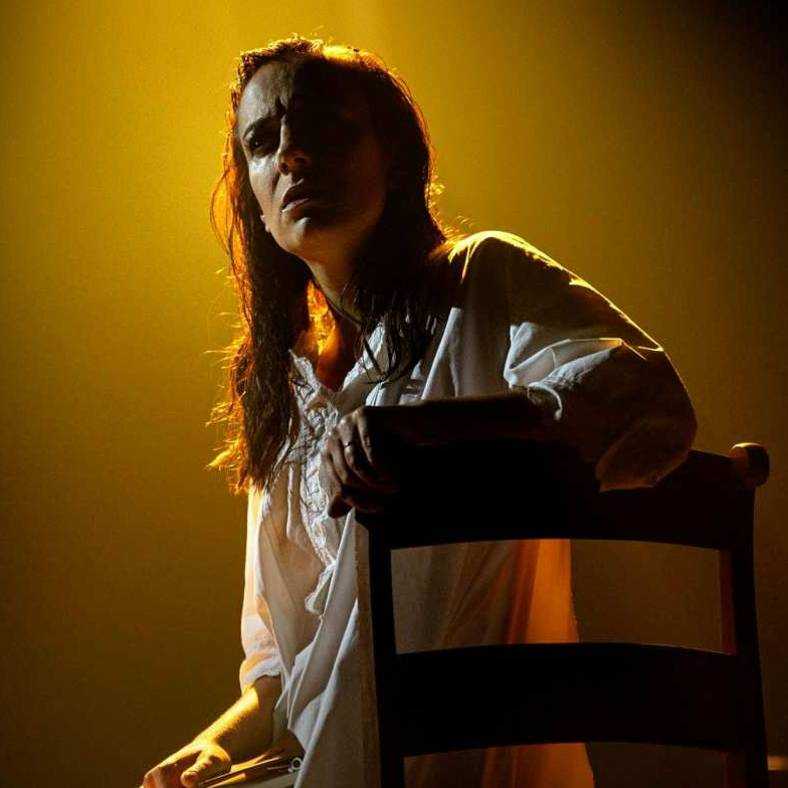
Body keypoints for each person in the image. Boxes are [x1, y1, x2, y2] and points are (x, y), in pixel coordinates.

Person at [141, 36, 697, 788]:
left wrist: (429, 428)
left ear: (394, 158)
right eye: (262, 143)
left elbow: (646, 395)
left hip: (470, 765)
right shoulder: (281, 388)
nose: (292, 156)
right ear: (255, 201)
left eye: (323, 127)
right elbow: (279, 668)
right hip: (321, 762)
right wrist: (216, 742)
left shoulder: (481, 279)